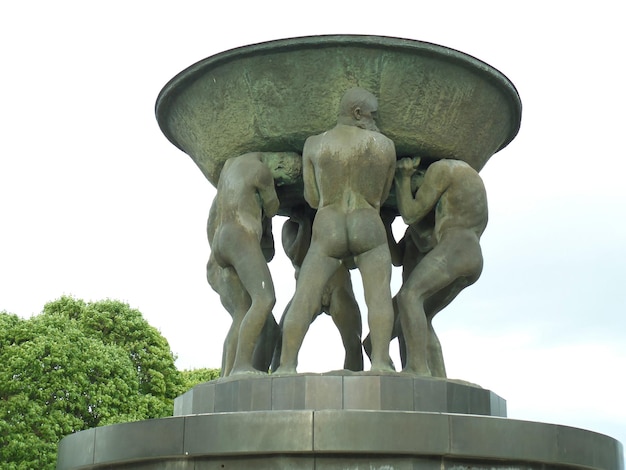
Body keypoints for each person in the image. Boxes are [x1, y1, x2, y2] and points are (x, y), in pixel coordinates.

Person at [275, 87, 396, 374]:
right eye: (372, 115)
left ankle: (286, 366)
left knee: (304, 297)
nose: (376, 120)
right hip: (366, 220)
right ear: (357, 113)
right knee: (378, 296)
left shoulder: (315, 144)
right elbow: (381, 196)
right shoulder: (385, 146)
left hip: (329, 223)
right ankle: (380, 362)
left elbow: (313, 198)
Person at [394, 157, 488, 376]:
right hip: (471, 253)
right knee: (422, 316)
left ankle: (417, 367)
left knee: (409, 296)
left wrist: (402, 178)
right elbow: (427, 240)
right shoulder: (467, 178)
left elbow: (409, 213)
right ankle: (438, 375)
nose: (419, 192)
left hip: (456, 247)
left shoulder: (440, 169)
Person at [207, 152, 280, 376]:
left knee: (246, 312)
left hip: (221, 239)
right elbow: (273, 206)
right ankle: (242, 366)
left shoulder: (229, 167)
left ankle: (227, 375)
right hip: (241, 235)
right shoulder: (262, 171)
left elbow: (212, 218)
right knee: (265, 298)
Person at [271, 205, 363, 372]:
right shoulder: (291, 226)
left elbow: (352, 262)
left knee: (353, 342)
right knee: (282, 338)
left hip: (338, 285)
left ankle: (357, 388)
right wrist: (305, 225)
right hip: (308, 288)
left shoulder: (340, 221)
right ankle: (280, 378)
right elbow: (298, 258)